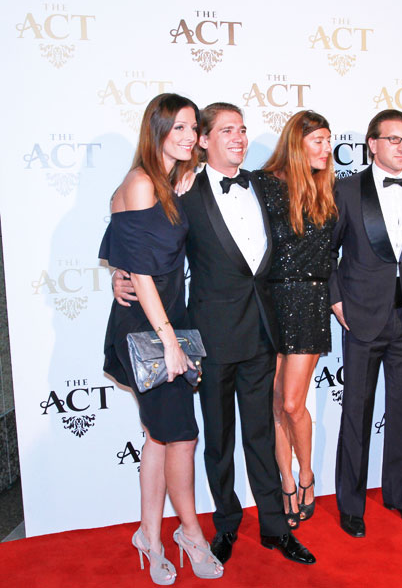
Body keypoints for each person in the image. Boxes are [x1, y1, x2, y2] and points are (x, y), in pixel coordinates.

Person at [114, 102, 315, 566]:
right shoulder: (180, 189)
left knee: (262, 433)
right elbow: (126, 214)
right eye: (227, 130)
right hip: (211, 333)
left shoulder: (264, 184)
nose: (239, 138)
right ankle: (225, 525)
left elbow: (317, 179)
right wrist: (119, 274)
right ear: (204, 141)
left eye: (242, 130)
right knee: (219, 440)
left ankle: (275, 526)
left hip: (261, 329)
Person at [99, 93, 223, 584]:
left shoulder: (166, 182)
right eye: (180, 128)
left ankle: (149, 536)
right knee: (183, 437)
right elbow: (142, 272)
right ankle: (191, 533)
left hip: (168, 320)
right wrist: (169, 340)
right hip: (147, 331)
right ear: (157, 130)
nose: (190, 137)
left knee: (158, 437)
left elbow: (125, 242)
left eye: (194, 128)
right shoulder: (141, 183)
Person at [330, 109, 402, 538]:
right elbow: (327, 253)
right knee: (356, 412)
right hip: (361, 317)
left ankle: (401, 496)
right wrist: (337, 301)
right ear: (372, 144)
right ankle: (351, 505)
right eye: (393, 139)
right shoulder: (345, 189)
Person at [252, 110, 337, 529]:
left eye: (328, 140)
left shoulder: (330, 188)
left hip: (308, 302)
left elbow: (379, 182)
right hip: (268, 302)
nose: (327, 149)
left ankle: (306, 474)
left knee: (291, 402)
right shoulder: (262, 184)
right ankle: (285, 479)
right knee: (274, 403)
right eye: (318, 141)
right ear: (296, 144)